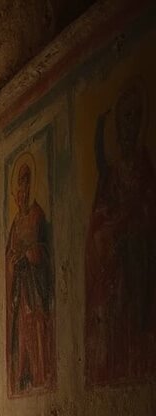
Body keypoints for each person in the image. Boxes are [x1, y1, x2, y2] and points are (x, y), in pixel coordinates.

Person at [85, 78, 156, 385]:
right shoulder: (112, 174)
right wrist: (111, 227)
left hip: (139, 259)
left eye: (135, 116)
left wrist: (132, 218)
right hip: (115, 260)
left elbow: (149, 209)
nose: (130, 124)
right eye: (125, 116)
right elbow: (99, 218)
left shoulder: (144, 167)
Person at [5, 155, 55, 395]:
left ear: (31, 186)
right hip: (20, 288)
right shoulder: (15, 223)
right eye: (19, 186)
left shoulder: (37, 216)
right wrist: (13, 262)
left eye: (26, 184)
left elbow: (44, 250)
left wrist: (28, 255)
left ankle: (39, 375)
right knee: (22, 334)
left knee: (35, 328)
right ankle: (24, 376)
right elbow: (8, 254)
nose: (22, 192)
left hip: (34, 288)